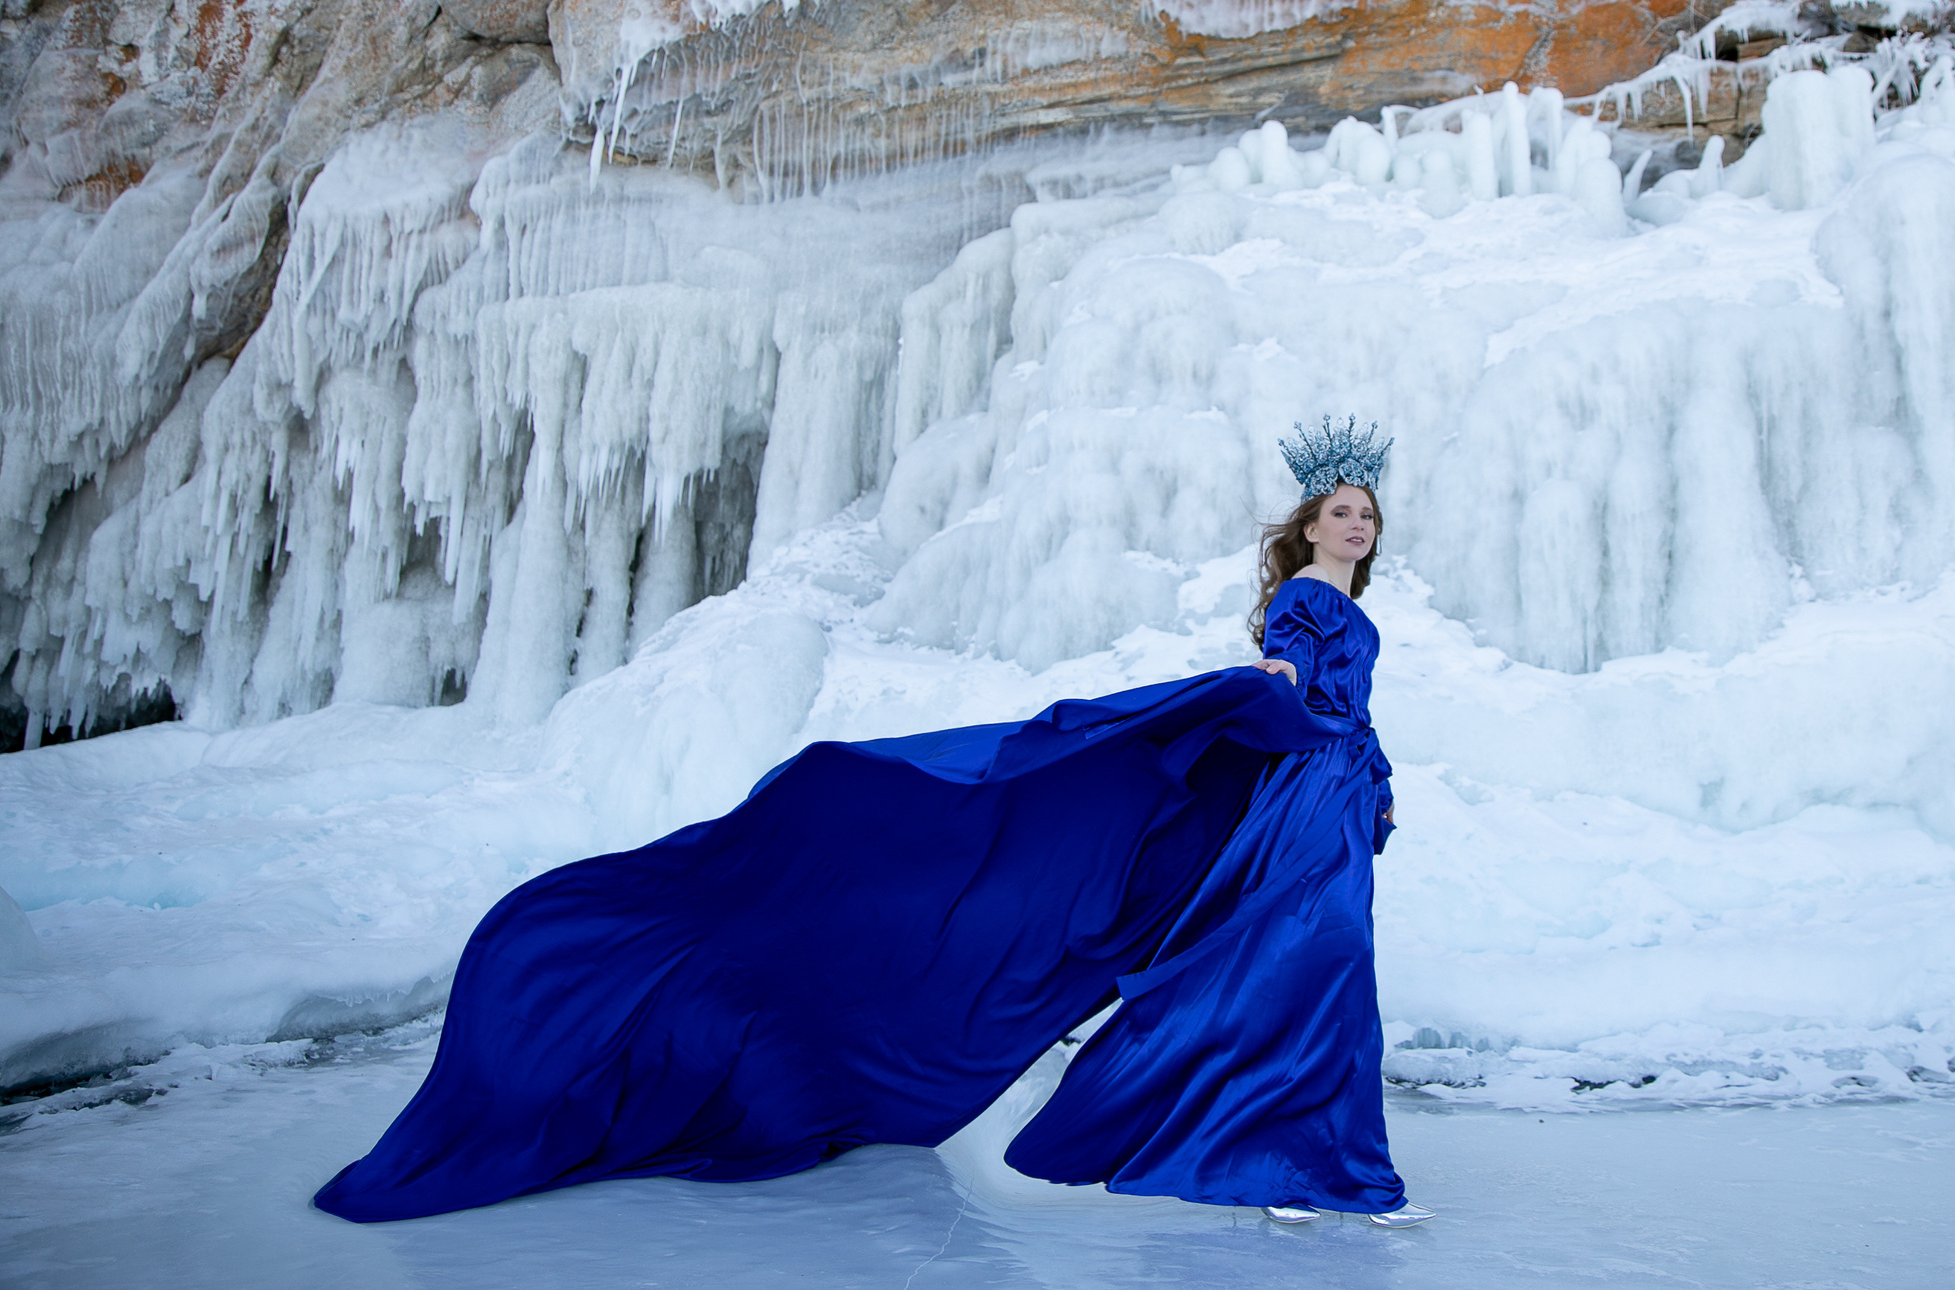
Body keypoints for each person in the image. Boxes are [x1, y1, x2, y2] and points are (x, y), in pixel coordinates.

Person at [312, 416, 1430, 1229]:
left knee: (1316, 967)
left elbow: (1339, 704)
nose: (1356, 522)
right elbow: (1289, 681)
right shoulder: (1303, 599)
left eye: (1367, 514)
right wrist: (1269, 696)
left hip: (1328, 794)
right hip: (1302, 792)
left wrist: (1359, 769)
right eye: (1341, 509)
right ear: (1306, 525)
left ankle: (1284, 1150)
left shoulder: (1353, 603)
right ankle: (1289, 1156)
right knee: (1315, 960)